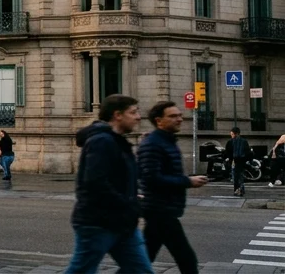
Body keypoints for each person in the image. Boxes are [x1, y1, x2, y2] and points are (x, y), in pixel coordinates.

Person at [63, 94, 152, 274]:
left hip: (122, 222)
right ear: (117, 115)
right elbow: (95, 184)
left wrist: (133, 196)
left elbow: (120, 177)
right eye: (133, 112)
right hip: (98, 222)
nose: (138, 117)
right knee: (82, 270)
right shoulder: (101, 141)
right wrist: (128, 202)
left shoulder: (118, 141)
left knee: (141, 271)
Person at [138, 101, 207, 274]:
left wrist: (186, 180)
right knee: (186, 259)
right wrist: (188, 182)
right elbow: (151, 178)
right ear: (159, 121)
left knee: (143, 259)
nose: (179, 119)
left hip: (163, 209)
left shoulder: (166, 141)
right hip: (160, 209)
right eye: (173, 116)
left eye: (180, 115)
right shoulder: (154, 144)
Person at [229, 127, 251, 197]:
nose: (231, 136)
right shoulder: (244, 141)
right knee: (240, 176)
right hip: (242, 161)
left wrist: (229, 159)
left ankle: (237, 190)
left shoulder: (231, 141)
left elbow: (229, 152)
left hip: (235, 161)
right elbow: (248, 152)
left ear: (236, 134)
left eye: (232, 134)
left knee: (235, 177)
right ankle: (241, 189)